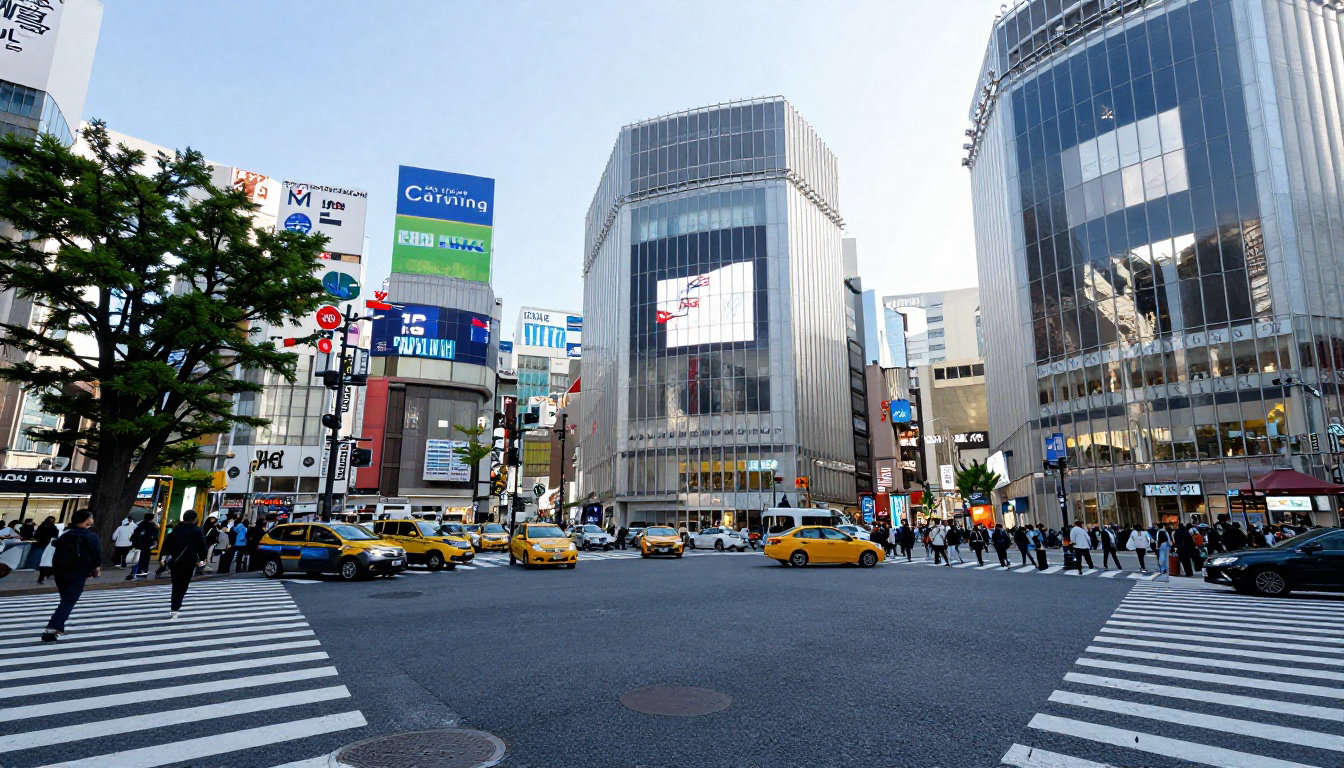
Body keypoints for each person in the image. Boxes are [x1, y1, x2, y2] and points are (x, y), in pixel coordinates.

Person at [41, 509, 101, 642]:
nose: (92, 520)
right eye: (91, 517)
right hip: (78, 572)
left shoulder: (66, 534)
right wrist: (96, 569)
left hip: (60, 571)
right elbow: (96, 555)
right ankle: (52, 629)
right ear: (87, 520)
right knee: (68, 601)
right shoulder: (91, 536)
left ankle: (58, 627)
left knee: (66, 600)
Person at [160, 511, 208, 619]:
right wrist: (202, 558)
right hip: (189, 560)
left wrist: (163, 557)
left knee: (175, 583)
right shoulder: (197, 530)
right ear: (194, 519)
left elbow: (167, 543)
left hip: (175, 560)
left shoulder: (176, 529)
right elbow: (201, 545)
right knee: (184, 583)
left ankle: (174, 606)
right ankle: (176, 606)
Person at [125, 512, 159, 580]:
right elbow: (154, 537)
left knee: (136, 559)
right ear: (152, 518)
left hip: (137, 545)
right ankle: (142, 573)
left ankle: (134, 573)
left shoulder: (140, 525)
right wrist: (154, 543)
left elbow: (134, 535)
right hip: (147, 546)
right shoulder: (154, 526)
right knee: (145, 560)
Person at [33, 516, 59, 584]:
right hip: (47, 544)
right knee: (45, 560)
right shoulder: (50, 526)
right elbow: (55, 533)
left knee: (44, 561)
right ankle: (44, 576)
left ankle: (43, 576)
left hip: (44, 544)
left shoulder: (44, 525)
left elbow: (37, 534)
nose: (52, 521)